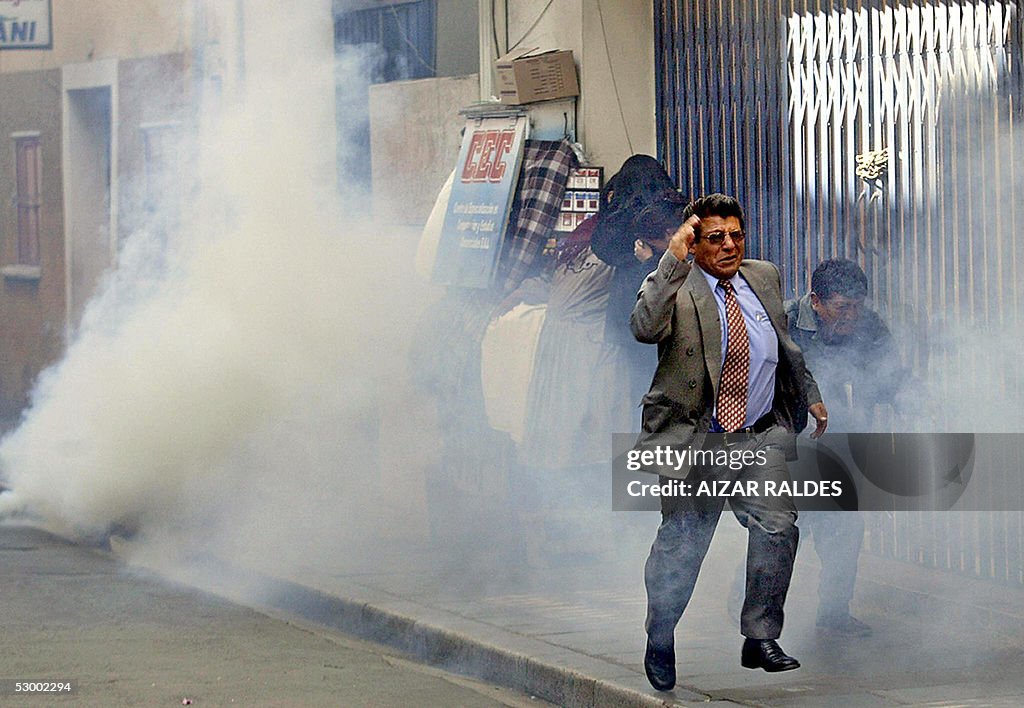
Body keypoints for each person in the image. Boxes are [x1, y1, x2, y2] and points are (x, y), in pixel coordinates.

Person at [631, 193, 828, 690]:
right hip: (698, 441)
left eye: (736, 236)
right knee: (682, 548)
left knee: (778, 527)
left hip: (757, 435)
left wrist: (809, 394)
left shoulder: (763, 277)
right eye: (715, 237)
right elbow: (644, 327)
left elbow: (784, 346)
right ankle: (661, 633)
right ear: (694, 242)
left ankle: (759, 636)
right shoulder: (676, 283)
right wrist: (672, 258)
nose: (729, 246)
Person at [786, 258, 900, 635]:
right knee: (785, 531)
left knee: (845, 532)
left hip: (843, 448)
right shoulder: (786, 323)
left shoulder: (870, 327)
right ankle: (748, 599)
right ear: (816, 301)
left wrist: (917, 406)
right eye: (842, 307)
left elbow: (892, 379)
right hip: (792, 448)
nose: (851, 315)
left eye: (857, 306)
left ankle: (834, 615)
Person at [589, 155, 679, 406]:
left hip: (629, 321)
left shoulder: (622, 217)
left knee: (638, 392)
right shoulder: (663, 214)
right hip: (654, 322)